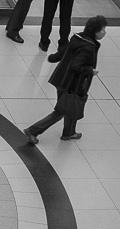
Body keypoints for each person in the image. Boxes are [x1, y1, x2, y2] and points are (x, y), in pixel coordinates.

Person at [23, 16, 106, 144]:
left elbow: (64, 50)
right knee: (61, 110)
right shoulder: (88, 47)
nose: (104, 32)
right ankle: (33, 131)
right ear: (95, 32)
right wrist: (90, 71)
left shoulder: (78, 37)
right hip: (71, 83)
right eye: (103, 30)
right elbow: (76, 66)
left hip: (61, 78)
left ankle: (69, 133)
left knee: (71, 107)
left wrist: (53, 57)